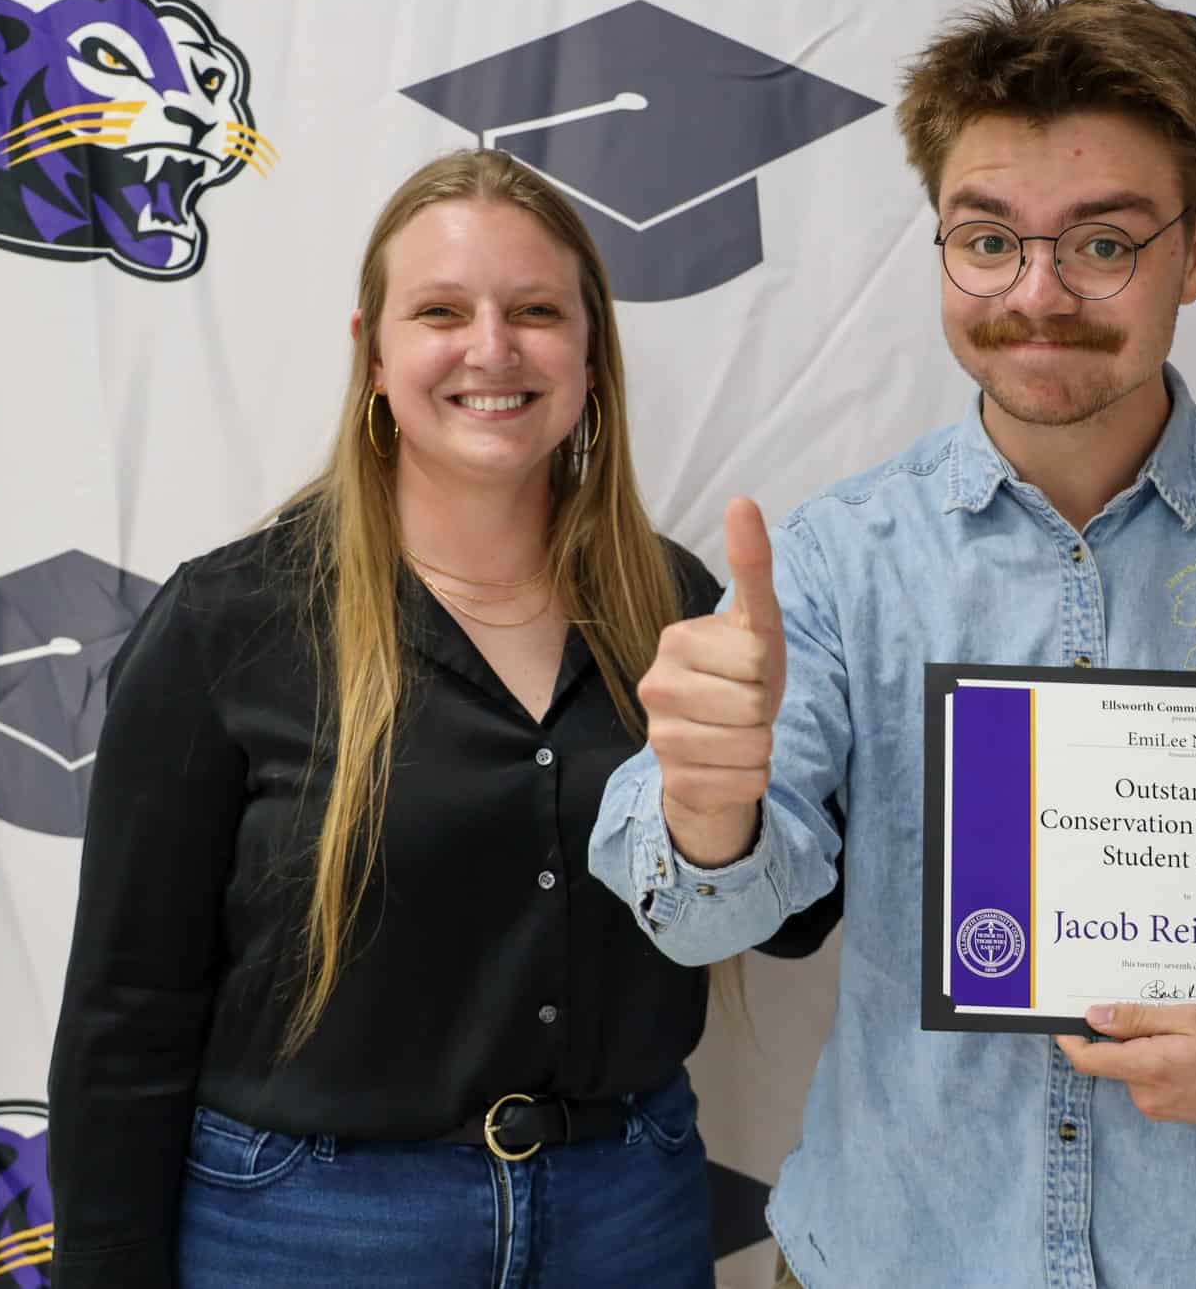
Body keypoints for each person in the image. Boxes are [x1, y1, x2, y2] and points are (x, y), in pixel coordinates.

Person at [590, 0, 1196, 1287]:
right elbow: (699, 920)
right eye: (988, 240)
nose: (1036, 294)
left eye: (1102, 245)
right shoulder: (839, 559)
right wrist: (707, 807)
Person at [45, 148, 828, 1289]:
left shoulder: (677, 609)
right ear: (373, 354)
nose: (491, 348)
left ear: (592, 355)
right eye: (441, 312)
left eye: (536, 311)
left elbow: (800, 921)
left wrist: (730, 817)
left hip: (627, 1214)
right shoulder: (229, 625)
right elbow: (128, 1006)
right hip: (313, 1233)